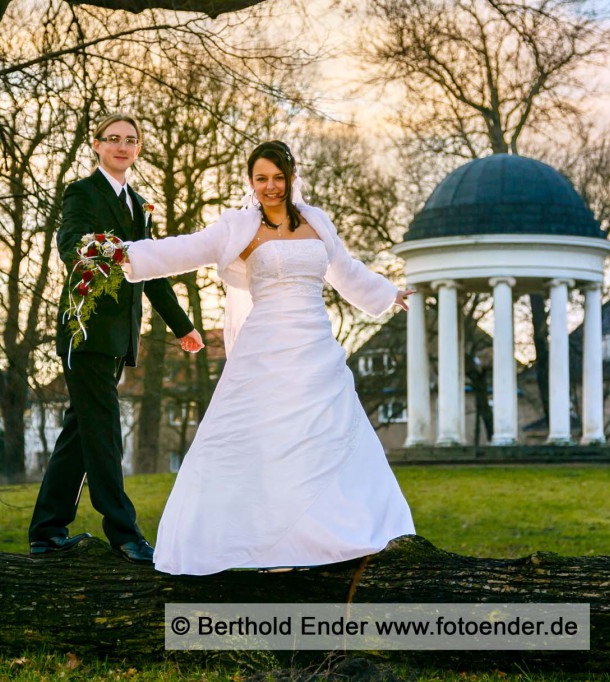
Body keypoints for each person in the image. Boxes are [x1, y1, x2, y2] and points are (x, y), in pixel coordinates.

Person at [121, 140, 416, 575]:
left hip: (315, 345)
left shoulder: (318, 222)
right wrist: (123, 255)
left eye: (278, 177)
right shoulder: (237, 227)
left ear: (292, 177)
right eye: (262, 179)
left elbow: (346, 270)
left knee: (325, 436)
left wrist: (387, 293)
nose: (271, 187)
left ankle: (329, 534)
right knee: (264, 441)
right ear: (251, 181)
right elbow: (183, 248)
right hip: (265, 348)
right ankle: (263, 542)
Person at [28, 113, 205, 564]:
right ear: (97, 144)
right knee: (105, 432)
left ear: (138, 148)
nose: (122, 146)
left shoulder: (140, 205)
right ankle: (123, 534)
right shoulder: (81, 192)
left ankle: (47, 531)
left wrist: (183, 326)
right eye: (113, 139)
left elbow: (154, 274)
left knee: (80, 433)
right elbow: (70, 240)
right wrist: (88, 252)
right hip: (84, 334)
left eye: (130, 140)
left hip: (118, 338)